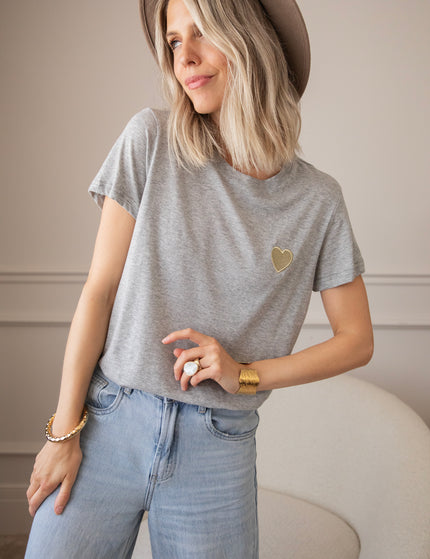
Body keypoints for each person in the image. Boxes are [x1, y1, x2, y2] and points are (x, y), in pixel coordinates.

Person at [25, 0, 373, 557]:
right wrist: (63, 432)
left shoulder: (317, 201)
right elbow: (99, 291)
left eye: (201, 33)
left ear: (249, 40)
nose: (183, 57)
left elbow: (356, 340)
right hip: (108, 424)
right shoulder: (150, 140)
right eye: (172, 41)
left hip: (218, 449)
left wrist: (247, 375)